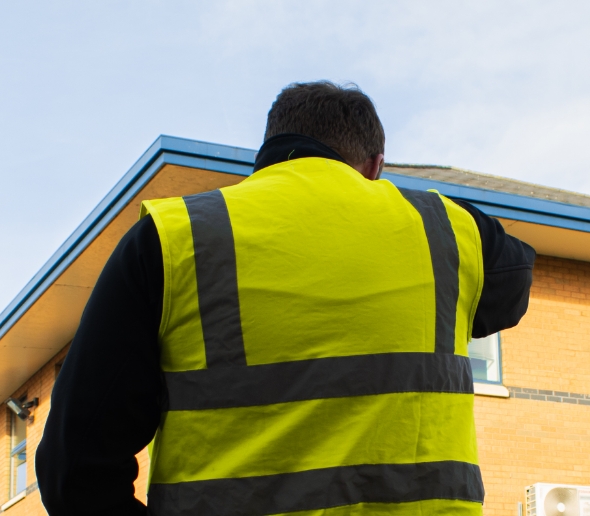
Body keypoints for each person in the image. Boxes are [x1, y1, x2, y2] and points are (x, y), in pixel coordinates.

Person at [36, 81, 536, 515]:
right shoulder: (448, 229)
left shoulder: (175, 238)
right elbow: (512, 287)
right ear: (375, 164)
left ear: (267, 153)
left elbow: (73, 468)